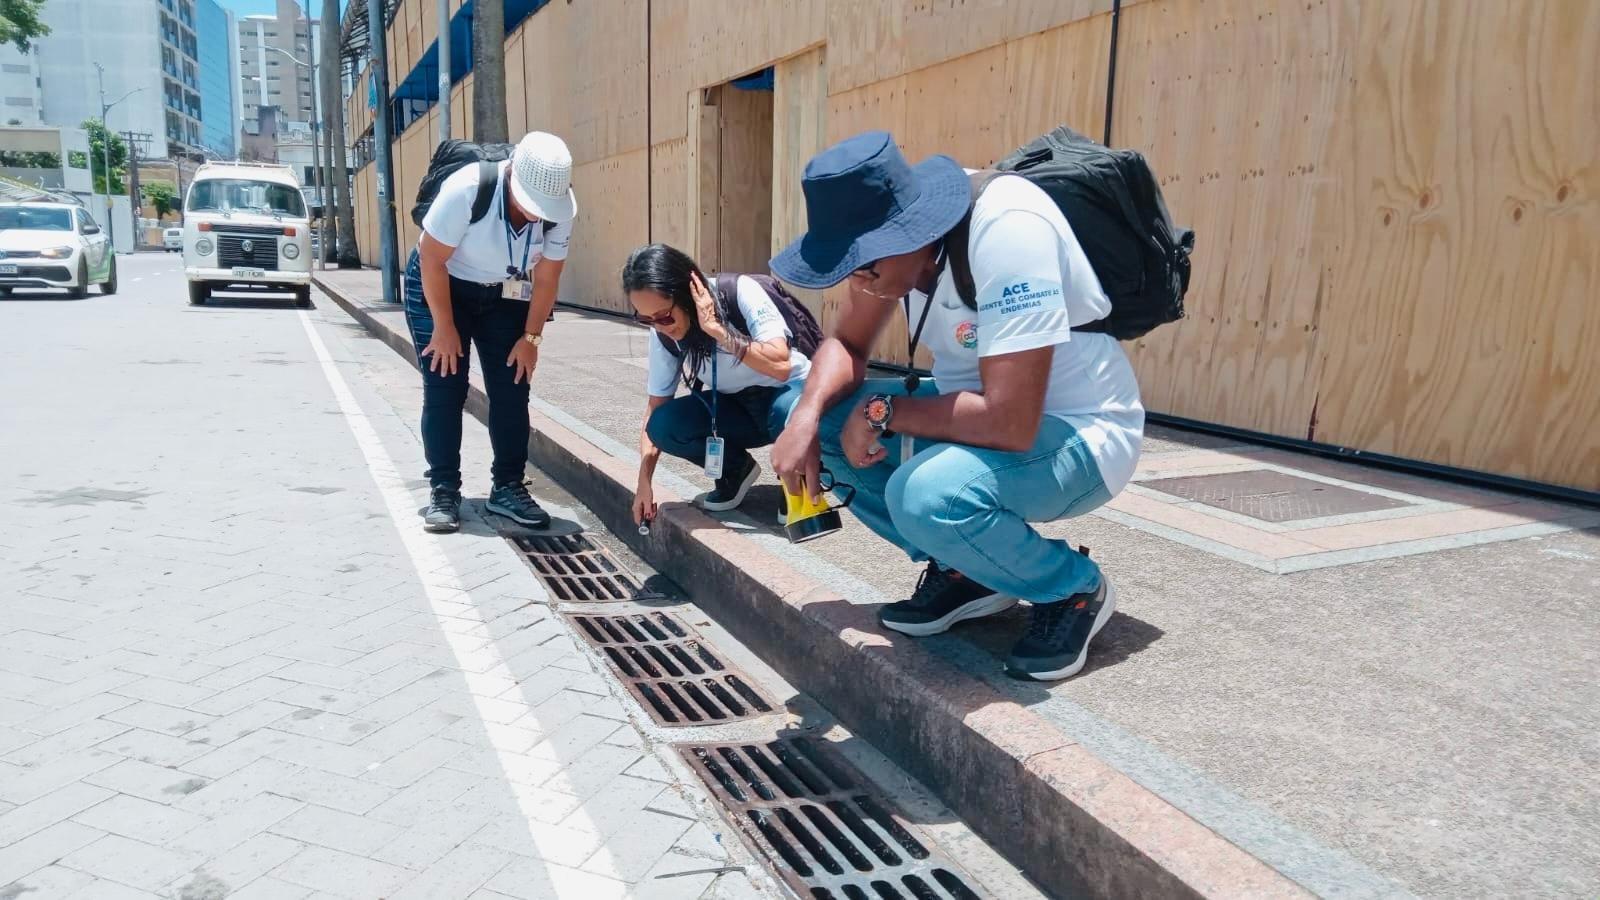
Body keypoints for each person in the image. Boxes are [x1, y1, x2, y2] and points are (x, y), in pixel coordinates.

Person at [767, 130, 1144, 681]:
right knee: (805, 415)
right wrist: (803, 417)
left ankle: (1071, 587)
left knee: (926, 494)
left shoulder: (1008, 228)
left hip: (1078, 434)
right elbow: (847, 344)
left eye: (864, 266)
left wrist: (881, 412)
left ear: (912, 232)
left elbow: (1008, 421)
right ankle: (968, 570)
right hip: (978, 420)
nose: (857, 280)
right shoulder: (890, 254)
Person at [404, 132, 577, 533]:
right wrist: (444, 326)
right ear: (512, 176)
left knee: (513, 387)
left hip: (506, 292)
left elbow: (547, 279)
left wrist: (531, 339)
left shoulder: (561, 209)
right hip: (443, 285)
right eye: (529, 204)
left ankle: (508, 487)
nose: (536, 215)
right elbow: (431, 259)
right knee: (446, 384)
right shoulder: (467, 189)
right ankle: (444, 489)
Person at [622, 243, 812, 528]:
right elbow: (655, 405)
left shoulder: (739, 291)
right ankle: (735, 470)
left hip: (789, 396)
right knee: (662, 425)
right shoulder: (662, 333)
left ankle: (800, 476)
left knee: (790, 409)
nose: (660, 327)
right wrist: (643, 482)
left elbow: (780, 366)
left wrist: (718, 331)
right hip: (736, 405)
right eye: (645, 319)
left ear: (686, 293)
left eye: (664, 316)